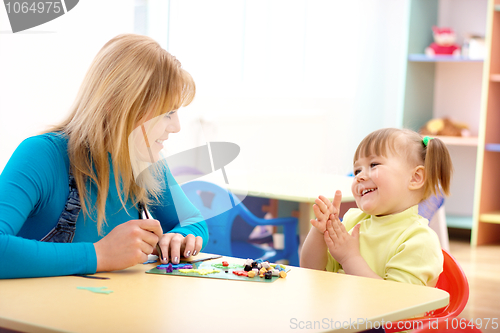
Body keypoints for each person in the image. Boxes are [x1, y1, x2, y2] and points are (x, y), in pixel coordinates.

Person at [0, 34, 208, 279]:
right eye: (167, 112)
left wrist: (180, 237)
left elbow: (194, 220)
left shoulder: (145, 163)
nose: (176, 126)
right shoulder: (42, 154)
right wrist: (99, 255)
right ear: (118, 105)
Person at [300, 128, 452, 287]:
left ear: (415, 178)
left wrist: (349, 258)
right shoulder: (353, 221)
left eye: (374, 164)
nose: (359, 176)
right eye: (357, 170)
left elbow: (398, 304)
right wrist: (319, 232)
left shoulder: (419, 240)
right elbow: (312, 271)